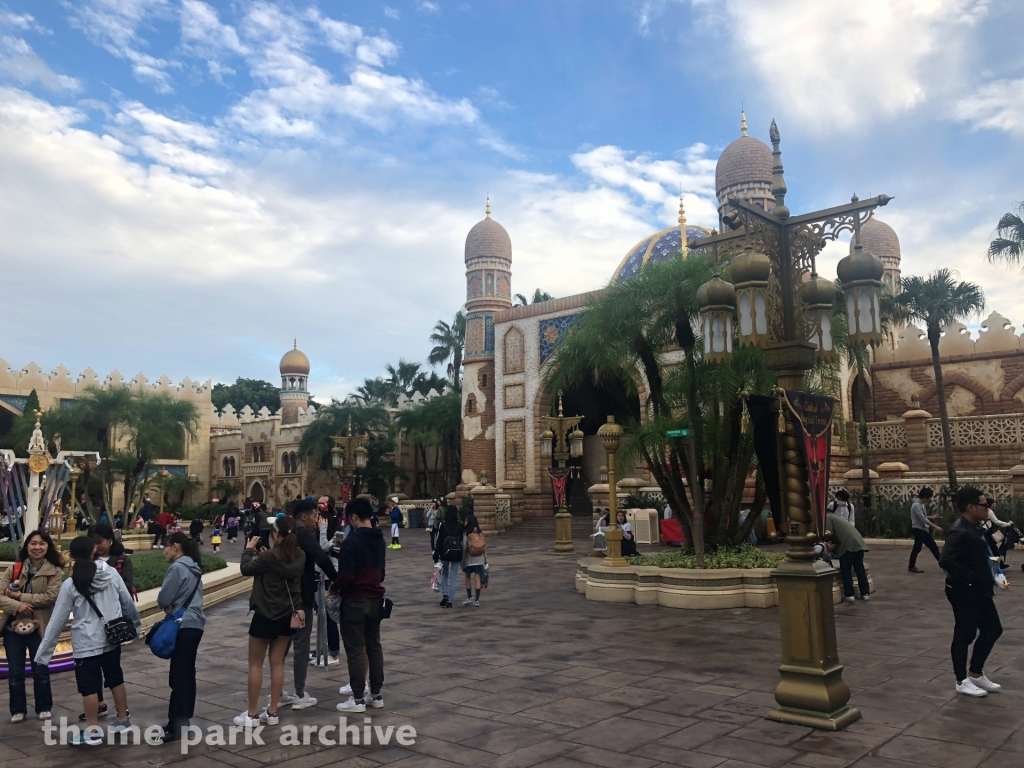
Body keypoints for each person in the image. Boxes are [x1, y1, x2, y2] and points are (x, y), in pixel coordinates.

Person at [36, 536, 141, 743]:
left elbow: (58, 620)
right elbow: (127, 602)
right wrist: (135, 627)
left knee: (89, 687)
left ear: (72, 555)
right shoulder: (111, 573)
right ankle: (122, 719)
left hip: (86, 643)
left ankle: (93, 730)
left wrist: (43, 653)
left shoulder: (70, 583)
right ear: (94, 551)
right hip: (112, 638)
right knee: (115, 679)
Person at [237, 516, 305, 726]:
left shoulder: (270, 557)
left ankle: (251, 714)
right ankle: (273, 712)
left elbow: (246, 568)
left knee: (255, 664)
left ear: (276, 534)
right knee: (278, 662)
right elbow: (280, 566)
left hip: (265, 614)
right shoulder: (300, 555)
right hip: (287, 615)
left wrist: (249, 549)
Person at [939, 487, 1006, 697]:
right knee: (965, 634)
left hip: (979, 590)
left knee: (993, 629)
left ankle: (976, 673)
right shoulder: (960, 530)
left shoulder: (974, 527)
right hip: (963, 591)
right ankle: (961, 680)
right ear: (971, 507)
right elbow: (946, 560)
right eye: (984, 505)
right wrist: (970, 576)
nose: (988, 508)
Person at [0, 530, 62, 723]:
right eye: (33, 543)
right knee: (15, 673)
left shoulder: (54, 571)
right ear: (27, 546)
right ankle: (17, 710)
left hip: (40, 627)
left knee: (40, 670)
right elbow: (1, 594)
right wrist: (17, 605)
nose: (37, 547)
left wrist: (20, 596)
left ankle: (44, 707)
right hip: (13, 629)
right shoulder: (15, 569)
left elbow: (50, 598)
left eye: (41, 544)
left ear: (47, 547)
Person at [281, 499, 338, 710]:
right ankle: (299, 693)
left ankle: (278, 692)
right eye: (315, 515)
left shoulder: (284, 531)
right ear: (303, 517)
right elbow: (321, 558)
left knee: (281, 646)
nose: (317, 520)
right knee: (301, 645)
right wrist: (337, 580)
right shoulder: (303, 534)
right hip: (300, 597)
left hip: (282, 596)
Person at [331, 497, 386, 713]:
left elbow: (345, 577)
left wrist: (333, 588)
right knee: (374, 646)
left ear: (354, 517)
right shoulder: (380, 540)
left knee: (354, 649)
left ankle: (357, 698)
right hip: (375, 599)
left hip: (355, 601)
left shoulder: (351, 543)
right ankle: (376, 694)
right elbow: (382, 573)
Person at [158, 532, 206, 742]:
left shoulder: (178, 567)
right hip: (195, 623)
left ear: (175, 546)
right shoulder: (193, 566)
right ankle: (183, 719)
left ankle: (176, 724)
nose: (164, 551)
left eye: (165, 547)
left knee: (178, 675)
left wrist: (167, 605)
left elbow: (164, 597)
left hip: (182, 623)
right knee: (187, 673)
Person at [824, 512, 870, 602]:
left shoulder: (829, 518)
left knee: (846, 570)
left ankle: (849, 594)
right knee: (860, 570)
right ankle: (865, 593)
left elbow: (828, 535)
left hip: (847, 547)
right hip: (858, 545)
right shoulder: (838, 519)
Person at [433, 505, 464, 608]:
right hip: (457, 553)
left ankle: (445, 594)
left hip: (445, 552)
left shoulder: (442, 525)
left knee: (444, 575)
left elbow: (439, 541)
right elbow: (462, 540)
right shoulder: (460, 525)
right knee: (454, 576)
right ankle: (450, 600)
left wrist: (436, 554)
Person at [909, 487, 943, 573]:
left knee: (932, 547)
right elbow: (923, 519)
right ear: (925, 497)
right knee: (919, 548)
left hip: (923, 529)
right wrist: (936, 527)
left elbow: (922, 517)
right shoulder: (916, 505)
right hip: (919, 530)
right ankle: (911, 566)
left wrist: (932, 517)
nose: (930, 499)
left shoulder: (921, 505)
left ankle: (943, 564)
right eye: (929, 497)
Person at [461, 514, 486, 606]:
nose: (465, 522)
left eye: (466, 521)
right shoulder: (480, 532)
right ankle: (477, 600)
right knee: (477, 578)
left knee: (467, 577)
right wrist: (485, 559)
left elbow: (464, 546)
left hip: (469, 558)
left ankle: (469, 597)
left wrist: (462, 560)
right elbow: (484, 546)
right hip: (479, 558)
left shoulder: (466, 532)